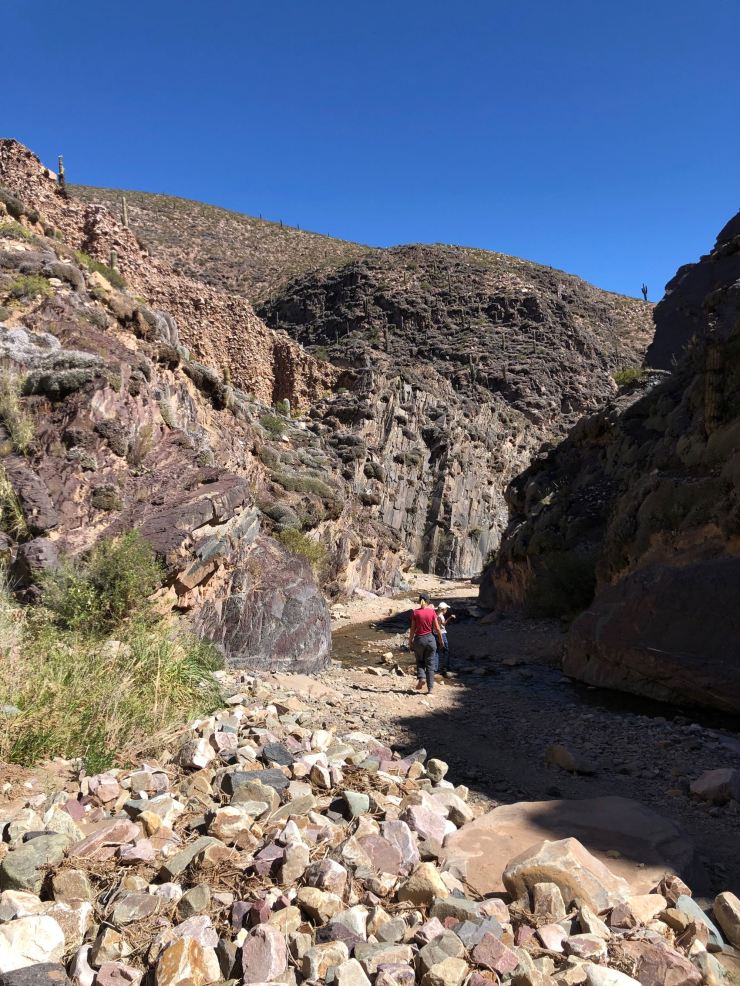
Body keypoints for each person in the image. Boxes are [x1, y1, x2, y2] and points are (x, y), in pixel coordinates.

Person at [409, 593, 443, 695]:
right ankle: (430, 689)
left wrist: (410, 641)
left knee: (420, 661)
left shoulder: (415, 612)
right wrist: (441, 640)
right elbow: (437, 628)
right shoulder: (432, 612)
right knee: (430, 664)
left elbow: (412, 629)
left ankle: (422, 678)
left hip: (419, 640)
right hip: (430, 640)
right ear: (428, 602)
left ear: (419, 601)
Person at [436, 601, 457, 676]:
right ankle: (445, 669)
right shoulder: (441, 616)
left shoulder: (436, 615)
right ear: (443, 609)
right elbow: (443, 624)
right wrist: (450, 617)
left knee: (437, 652)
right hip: (442, 634)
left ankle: (436, 668)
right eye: (446, 609)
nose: (447, 610)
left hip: (436, 634)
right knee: (446, 651)